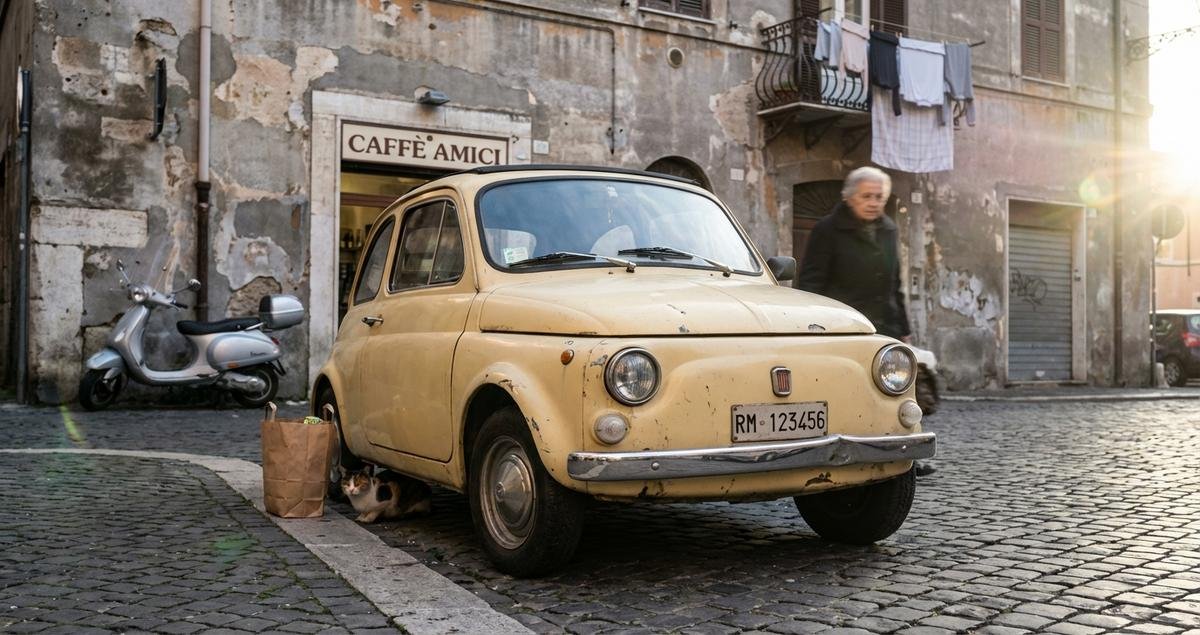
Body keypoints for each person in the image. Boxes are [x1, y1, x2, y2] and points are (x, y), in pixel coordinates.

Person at [796, 166, 935, 477]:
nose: (874, 202)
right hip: (844, 327)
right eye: (867, 196)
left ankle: (904, 457)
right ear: (849, 197)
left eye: (879, 197)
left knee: (897, 394)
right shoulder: (827, 230)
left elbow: (894, 283)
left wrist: (905, 330)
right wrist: (812, 326)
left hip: (884, 325)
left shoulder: (888, 229)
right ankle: (844, 449)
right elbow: (811, 282)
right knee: (849, 391)